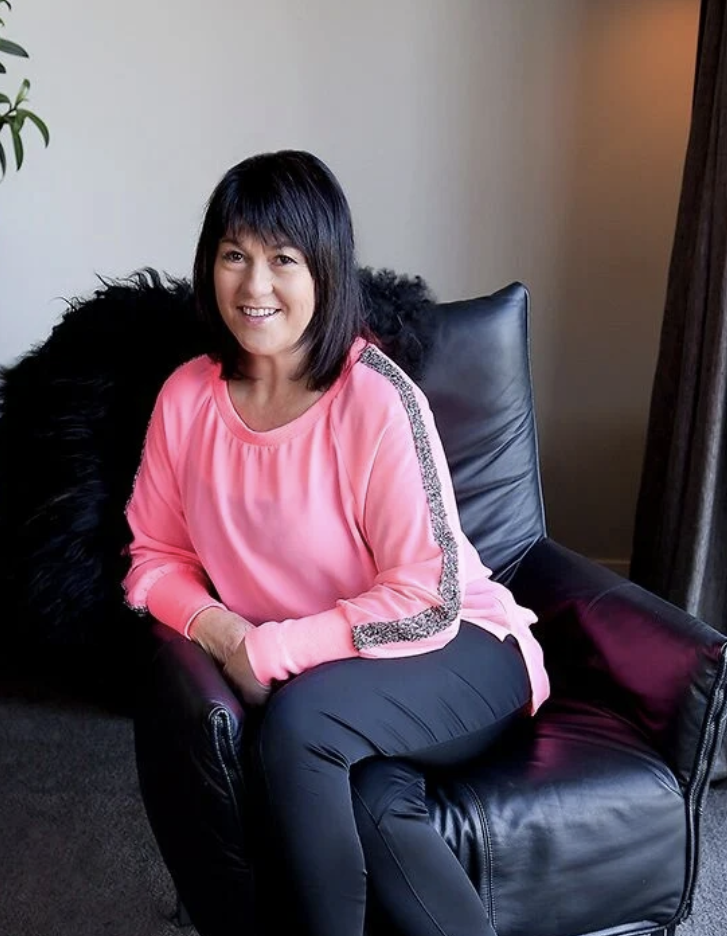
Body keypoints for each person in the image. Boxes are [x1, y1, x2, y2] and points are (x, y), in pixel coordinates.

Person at [123, 149, 550, 936]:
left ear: (326, 268)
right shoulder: (187, 397)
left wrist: (276, 652)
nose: (254, 286)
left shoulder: (376, 399)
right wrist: (226, 634)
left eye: (282, 259)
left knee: (303, 726)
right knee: (372, 804)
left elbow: (427, 598)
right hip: (338, 678)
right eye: (233, 256)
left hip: (463, 649)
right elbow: (154, 558)